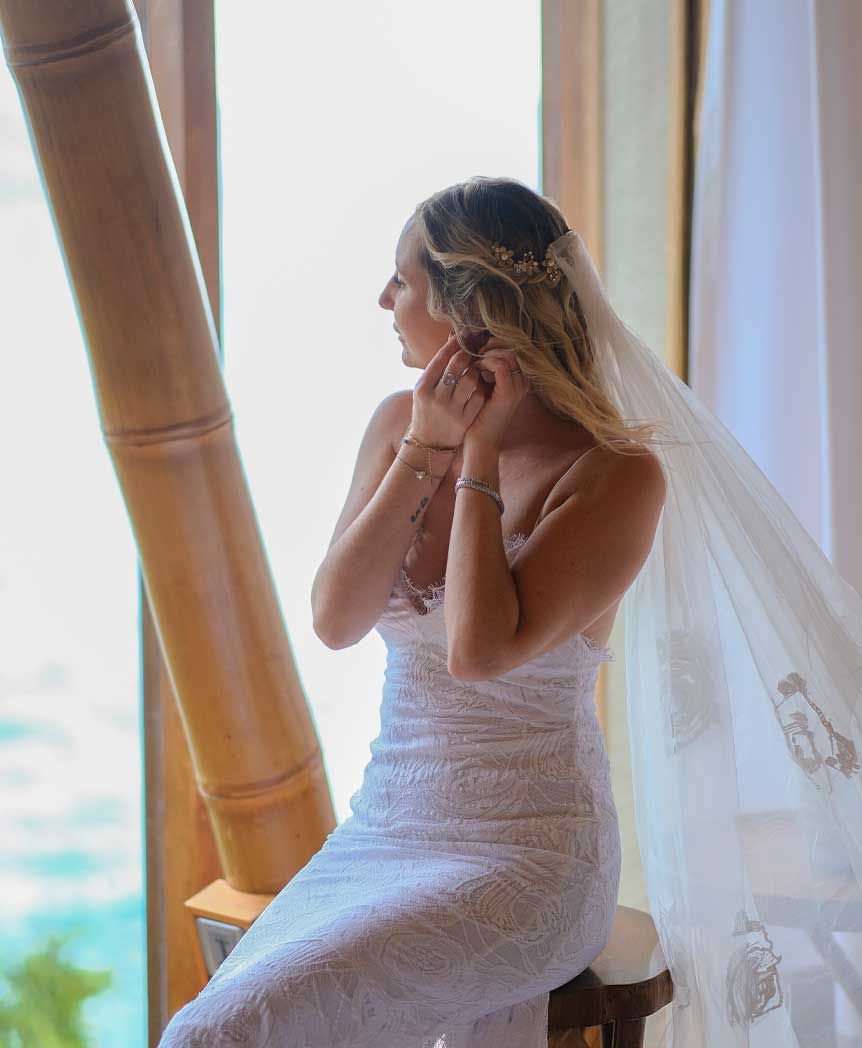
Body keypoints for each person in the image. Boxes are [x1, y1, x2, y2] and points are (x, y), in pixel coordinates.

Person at [158, 177, 664, 1047]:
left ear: (469, 308)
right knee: (209, 1025)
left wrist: (483, 454)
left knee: (225, 1034)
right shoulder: (399, 424)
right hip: (385, 831)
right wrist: (427, 447)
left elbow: (478, 648)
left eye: (401, 280)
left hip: (530, 858)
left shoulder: (616, 475)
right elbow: (335, 618)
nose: (383, 299)